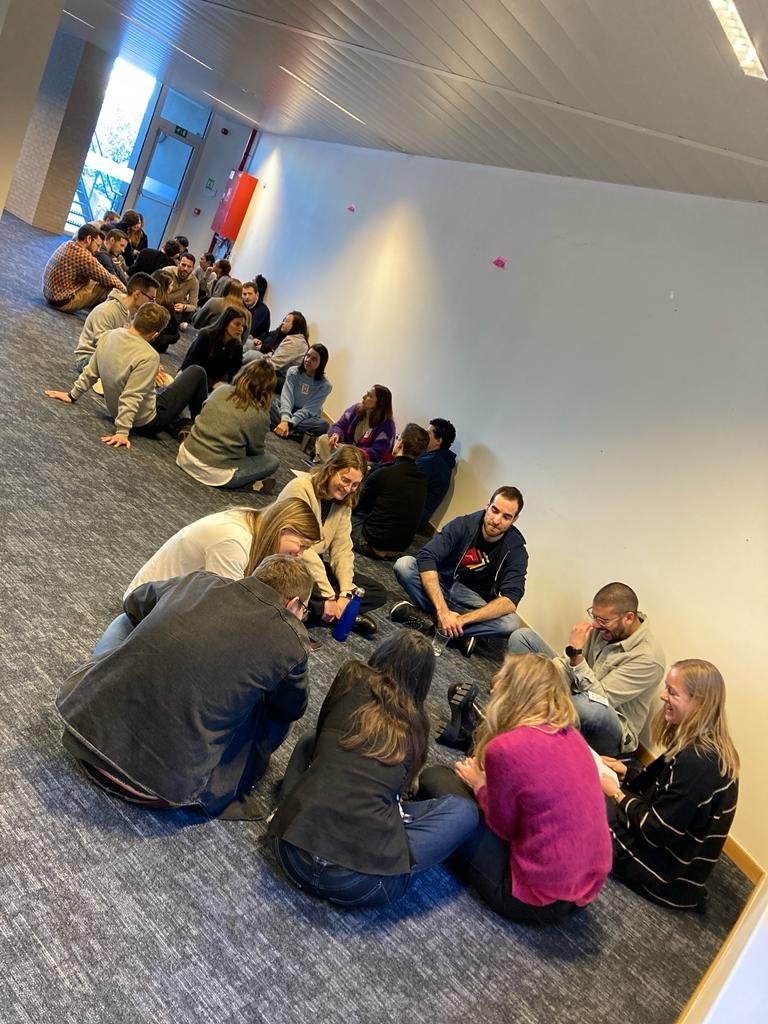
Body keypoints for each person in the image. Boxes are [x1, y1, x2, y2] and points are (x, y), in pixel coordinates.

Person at [55, 555, 314, 816]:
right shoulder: (291, 641)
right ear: (293, 604)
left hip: (82, 737)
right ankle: (242, 775)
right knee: (273, 703)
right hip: (158, 789)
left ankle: (100, 694)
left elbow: (134, 602)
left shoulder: (200, 581)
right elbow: (290, 710)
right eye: (304, 611)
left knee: (126, 624)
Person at [268, 631, 479, 908]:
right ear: (424, 682)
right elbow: (400, 793)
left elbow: (321, 736)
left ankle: (282, 812)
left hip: (290, 854)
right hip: (360, 885)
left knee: (311, 739)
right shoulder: (416, 724)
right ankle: (382, 857)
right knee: (464, 812)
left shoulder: (351, 674)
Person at [419, 653, 612, 924]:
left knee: (435, 779)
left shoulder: (507, 748)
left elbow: (503, 827)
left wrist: (480, 786)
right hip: (581, 893)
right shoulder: (573, 738)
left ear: (515, 691)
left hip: (530, 898)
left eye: (502, 677)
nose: (493, 683)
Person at [94, 498, 321, 652]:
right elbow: (222, 610)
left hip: (163, 598)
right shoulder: (235, 542)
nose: (299, 555)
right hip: (147, 606)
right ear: (284, 529)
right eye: (301, 546)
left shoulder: (251, 521)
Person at [600, 659, 739, 910]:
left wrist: (618, 795)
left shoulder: (699, 762)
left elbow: (657, 830)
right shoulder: (703, 744)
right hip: (671, 855)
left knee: (587, 800)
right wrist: (627, 773)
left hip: (663, 873)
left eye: (672, 692)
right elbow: (667, 796)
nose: (663, 696)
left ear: (699, 703)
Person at [507, 582, 665, 756]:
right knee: (523, 637)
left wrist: (576, 654)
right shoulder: (605, 628)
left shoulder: (648, 659)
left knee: (587, 706)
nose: (595, 624)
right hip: (575, 694)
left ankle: (528, 713)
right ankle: (531, 706)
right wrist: (543, 671)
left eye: (603, 620)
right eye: (594, 616)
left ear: (628, 618)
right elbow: (567, 665)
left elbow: (600, 699)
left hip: (608, 722)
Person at [43, 302, 208, 448]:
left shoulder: (110, 335)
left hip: (117, 412)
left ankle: (184, 423)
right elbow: (132, 395)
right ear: (155, 334)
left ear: (135, 318)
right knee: (196, 372)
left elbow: (91, 372)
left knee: (164, 390)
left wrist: (72, 395)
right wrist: (122, 432)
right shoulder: (149, 356)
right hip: (146, 422)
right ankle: (199, 428)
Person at [391, 486, 528, 657]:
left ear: (514, 520)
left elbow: (511, 598)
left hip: (473, 601)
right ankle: (459, 633)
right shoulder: (464, 524)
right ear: (488, 506)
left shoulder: (516, 550)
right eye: (494, 510)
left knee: (512, 623)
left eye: (506, 517)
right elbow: (427, 557)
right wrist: (442, 611)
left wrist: (461, 620)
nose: (496, 520)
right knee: (404, 565)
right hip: (445, 584)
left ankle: (432, 622)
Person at [275, 445, 388, 636]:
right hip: (289, 559)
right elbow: (304, 550)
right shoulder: (300, 488)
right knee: (311, 587)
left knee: (376, 592)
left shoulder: (344, 502)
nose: (349, 489)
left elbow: (342, 550)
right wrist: (328, 594)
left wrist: (345, 593)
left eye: (355, 485)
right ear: (330, 470)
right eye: (345, 480)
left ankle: (322, 610)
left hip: (313, 565)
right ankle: (336, 612)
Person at [176, 359, 280, 491]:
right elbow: (256, 451)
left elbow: (203, 412)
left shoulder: (221, 390)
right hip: (214, 474)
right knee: (272, 461)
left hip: (185, 456)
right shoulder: (260, 415)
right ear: (268, 389)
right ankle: (245, 482)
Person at [351, 422, 429, 558]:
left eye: (398, 437)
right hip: (398, 549)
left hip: (370, 543)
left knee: (340, 513)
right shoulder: (422, 479)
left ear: (400, 444)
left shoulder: (384, 472)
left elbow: (357, 505)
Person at [73, 272, 157, 371]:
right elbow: (104, 347)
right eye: (151, 299)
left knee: (146, 367)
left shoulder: (134, 314)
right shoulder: (106, 310)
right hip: (88, 359)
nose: (153, 304)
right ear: (137, 294)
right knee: (135, 370)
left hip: (110, 357)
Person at [42, 223, 125, 313]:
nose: (98, 250)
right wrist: (128, 293)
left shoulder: (68, 244)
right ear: (88, 239)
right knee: (107, 285)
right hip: (62, 303)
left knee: (96, 279)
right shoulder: (85, 257)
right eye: (97, 245)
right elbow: (109, 278)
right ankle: (101, 316)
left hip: (48, 295)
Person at [315, 385, 395, 465]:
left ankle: (332, 467)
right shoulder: (356, 409)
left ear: (380, 403)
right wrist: (336, 435)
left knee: (356, 463)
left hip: (363, 458)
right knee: (324, 439)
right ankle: (332, 467)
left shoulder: (387, 426)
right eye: (367, 394)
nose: (364, 397)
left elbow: (377, 453)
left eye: (369, 396)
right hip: (345, 448)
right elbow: (339, 425)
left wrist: (351, 451)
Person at [270, 345, 332, 443]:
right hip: (289, 408)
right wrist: (285, 418)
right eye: (307, 356)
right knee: (269, 401)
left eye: (314, 359)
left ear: (321, 363)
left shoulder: (325, 385)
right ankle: (294, 432)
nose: (308, 360)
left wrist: (289, 423)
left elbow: (309, 409)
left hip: (307, 417)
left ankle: (283, 427)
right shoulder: (293, 372)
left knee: (323, 425)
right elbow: (287, 397)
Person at [179, 307, 245, 389]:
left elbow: (235, 373)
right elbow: (190, 364)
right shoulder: (206, 336)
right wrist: (212, 384)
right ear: (226, 323)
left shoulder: (237, 347)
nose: (241, 329)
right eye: (237, 324)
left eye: (243, 326)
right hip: (192, 377)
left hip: (216, 386)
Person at [243, 311, 310, 390]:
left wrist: (259, 360)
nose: (283, 323)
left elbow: (273, 364)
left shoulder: (294, 342)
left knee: (252, 356)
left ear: (295, 326)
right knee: (251, 353)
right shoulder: (294, 338)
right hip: (278, 369)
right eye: (284, 320)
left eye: (286, 321)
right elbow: (275, 354)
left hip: (284, 379)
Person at [416, 418, 457, 531]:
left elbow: (402, 475)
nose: (424, 435)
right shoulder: (434, 458)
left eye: (428, 433)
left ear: (438, 440)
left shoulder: (432, 462)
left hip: (412, 516)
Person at [164, 252, 199, 319]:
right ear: (178, 264)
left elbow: (194, 306)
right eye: (183, 265)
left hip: (174, 309)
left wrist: (184, 307)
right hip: (160, 303)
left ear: (193, 268)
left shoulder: (194, 282)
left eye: (189, 266)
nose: (185, 269)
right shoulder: (167, 271)